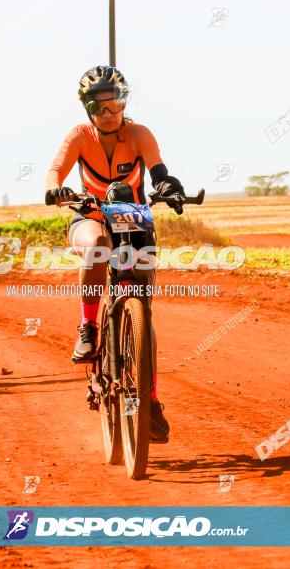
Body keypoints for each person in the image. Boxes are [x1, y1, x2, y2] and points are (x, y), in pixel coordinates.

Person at [44, 65, 186, 443]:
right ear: (88, 109)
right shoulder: (79, 136)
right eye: (100, 107)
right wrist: (55, 190)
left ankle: (151, 399)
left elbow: (158, 169)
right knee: (99, 247)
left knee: (146, 317)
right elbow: (56, 170)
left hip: (134, 218)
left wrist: (169, 186)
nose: (108, 114)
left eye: (115, 105)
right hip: (89, 215)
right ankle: (89, 327)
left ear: (124, 103)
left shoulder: (138, 133)